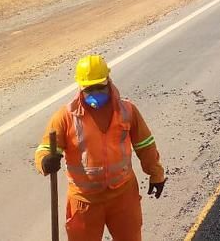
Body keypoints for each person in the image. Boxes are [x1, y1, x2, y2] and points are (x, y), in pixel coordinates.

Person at [35, 55, 166, 241]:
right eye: (89, 89)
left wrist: (156, 173)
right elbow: (46, 148)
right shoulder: (65, 117)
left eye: (100, 87)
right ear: (80, 87)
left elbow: (145, 144)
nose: (95, 92)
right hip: (84, 202)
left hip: (123, 196)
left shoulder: (127, 111)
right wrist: (45, 160)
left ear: (109, 81)